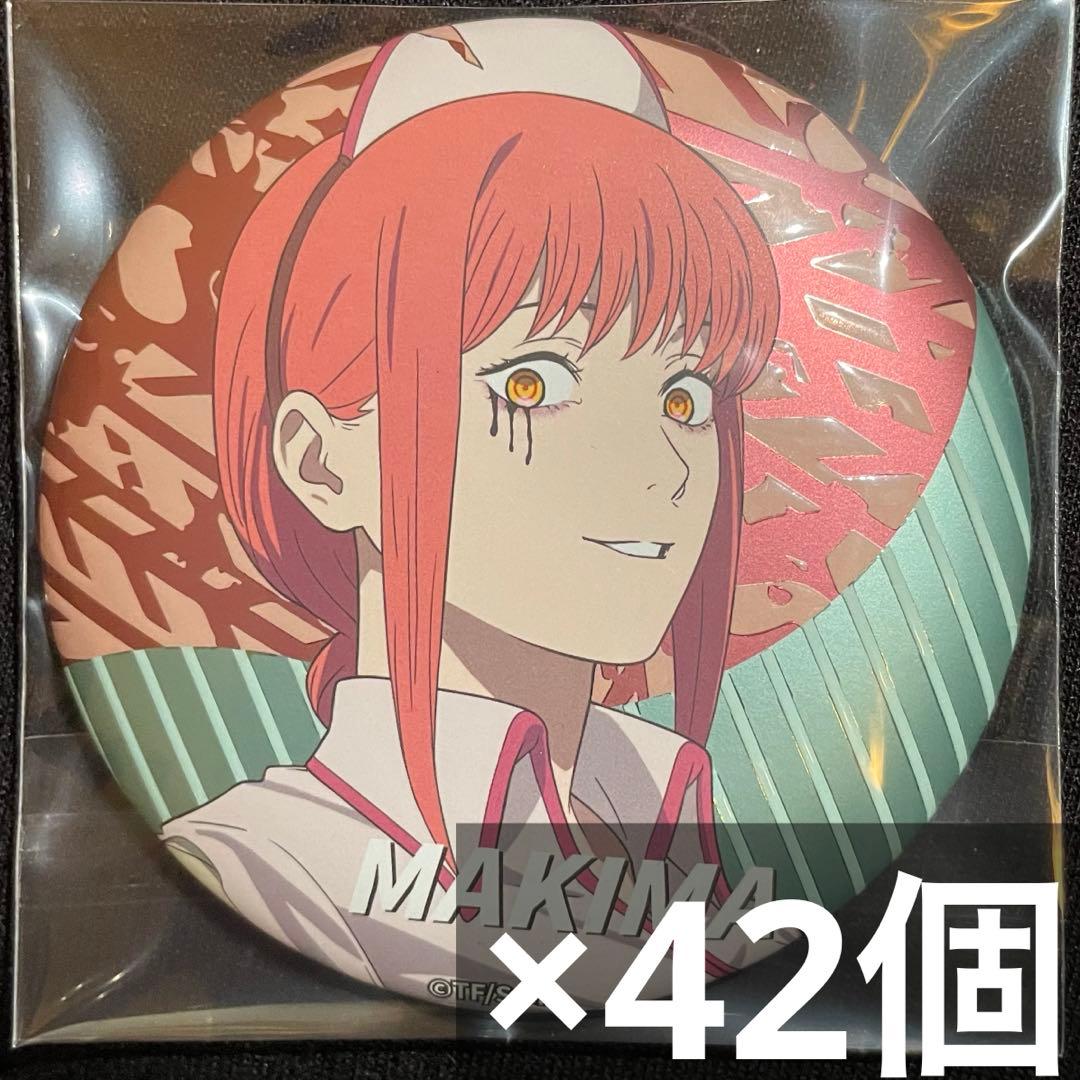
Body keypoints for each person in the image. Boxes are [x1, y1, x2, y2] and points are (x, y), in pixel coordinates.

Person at [162, 17, 781, 1004]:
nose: (658, 467)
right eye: (533, 384)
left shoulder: (672, 816)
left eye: (684, 397)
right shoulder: (255, 873)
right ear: (322, 461)